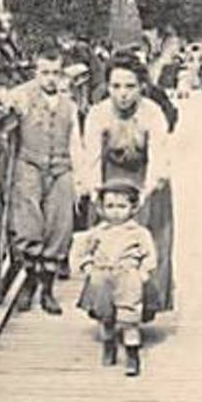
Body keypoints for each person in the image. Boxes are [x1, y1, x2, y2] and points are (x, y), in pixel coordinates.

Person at [0, 45, 83, 315]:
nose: (50, 78)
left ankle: (47, 291)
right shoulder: (24, 97)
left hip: (61, 167)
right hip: (30, 165)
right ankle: (29, 285)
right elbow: (2, 97)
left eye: (55, 73)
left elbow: (76, 143)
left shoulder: (69, 106)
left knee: (59, 227)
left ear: (62, 76)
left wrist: (80, 180)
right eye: (44, 72)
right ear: (35, 73)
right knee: (28, 224)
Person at [79, 54, 175, 319]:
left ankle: (147, 302)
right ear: (107, 87)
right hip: (110, 177)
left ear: (141, 86)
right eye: (116, 86)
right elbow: (92, 157)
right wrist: (97, 192)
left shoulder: (152, 112)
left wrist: (147, 190)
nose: (122, 94)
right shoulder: (98, 113)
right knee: (105, 239)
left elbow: (159, 156)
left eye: (130, 87)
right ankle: (103, 302)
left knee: (150, 238)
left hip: (146, 179)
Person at [75, 179, 159, 376]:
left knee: (129, 317)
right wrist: (88, 267)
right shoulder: (97, 232)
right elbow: (81, 251)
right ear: (101, 209)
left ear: (132, 208)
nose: (115, 211)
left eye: (122, 206)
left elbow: (150, 255)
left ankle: (132, 356)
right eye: (110, 206)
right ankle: (109, 346)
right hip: (102, 276)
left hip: (127, 277)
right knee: (105, 316)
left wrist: (143, 272)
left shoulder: (139, 233)